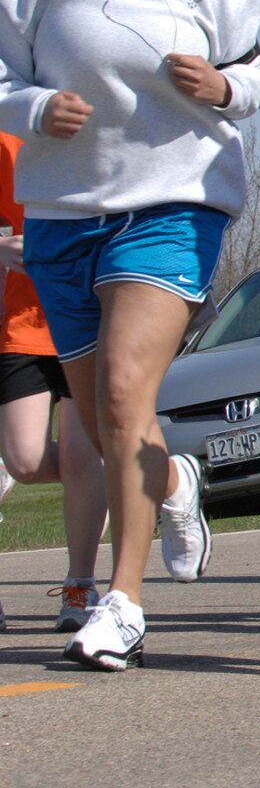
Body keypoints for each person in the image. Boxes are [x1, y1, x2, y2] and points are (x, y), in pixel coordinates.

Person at [0, 0, 260, 670]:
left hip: (172, 202)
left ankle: (122, 603)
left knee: (122, 395)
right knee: (110, 419)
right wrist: (37, 109)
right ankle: (173, 476)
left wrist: (224, 85)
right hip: (62, 211)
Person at [0, 131, 108, 632]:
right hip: (23, 322)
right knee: (23, 461)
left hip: (87, 313)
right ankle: (149, 470)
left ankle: (80, 586)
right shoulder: (4, 137)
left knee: (82, 458)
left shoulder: (87, 128)